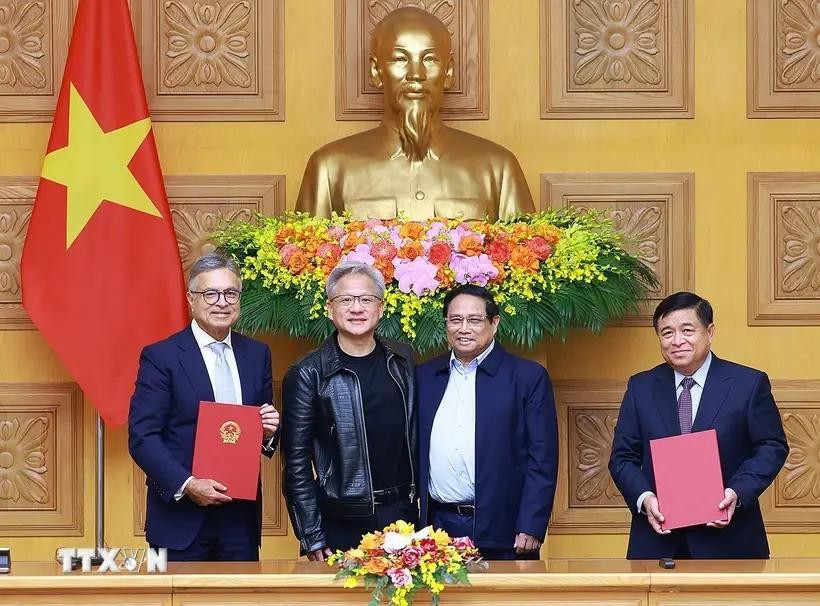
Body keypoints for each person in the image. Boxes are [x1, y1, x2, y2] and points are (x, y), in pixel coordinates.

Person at [296, 7, 534, 222]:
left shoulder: (498, 169)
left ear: (448, 71)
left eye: (429, 59)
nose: (416, 74)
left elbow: (527, 262)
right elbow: (307, 263)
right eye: (400, 59)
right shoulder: (329, 168)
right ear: (376, 71)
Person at [609, 291, 788, 559]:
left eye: (687, 330)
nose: (677, 341)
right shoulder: (641, 387)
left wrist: (736, 492)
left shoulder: (748, 384)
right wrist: (645, 499)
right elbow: (622, 458)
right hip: (658, 543)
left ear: (710, 331)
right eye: (667, 333)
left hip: (731, 541)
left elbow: (771, 446)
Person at [128, 253, 280, 561]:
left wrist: (268, 432)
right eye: (210, 293)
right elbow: (143, 437)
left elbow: (261, 433)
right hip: (180, 518)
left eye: (231, 293)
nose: (221, 302)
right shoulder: (162, 357)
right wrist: (188, 484)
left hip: (240, 519)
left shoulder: (257, 355)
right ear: (191, 299)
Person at [282, 262, 417, 559]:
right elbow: (296, 464)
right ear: (330, 308)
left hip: (403, 516)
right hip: (341, 521)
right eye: (346, 300)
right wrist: (312, 535)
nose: (356, 308)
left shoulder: (402, 359)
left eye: (366, 299)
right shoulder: (307, 373)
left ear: (380, 308)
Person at [416, 284, 558, 560]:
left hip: (505, 530)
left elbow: (543, 457)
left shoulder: (527, 377)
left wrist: (531, 523)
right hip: (437, 529)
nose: (464, 328)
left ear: (494, 323)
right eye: (455, 320)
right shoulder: (425, 375)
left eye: (474, 320)